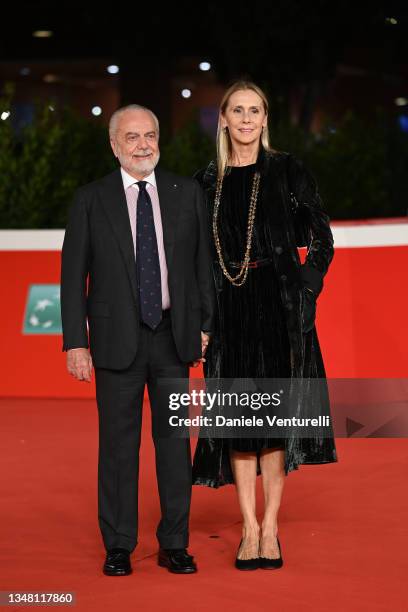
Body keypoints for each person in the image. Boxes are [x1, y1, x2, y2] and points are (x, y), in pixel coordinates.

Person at [60, 104, 214, 576]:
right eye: (132, 137)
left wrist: (205, 323)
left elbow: (201, 265)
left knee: (173, 443)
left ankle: (175, 542)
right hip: (113, 342)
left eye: (150, 135)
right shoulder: (90, 199)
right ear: (114, 145)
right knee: (118, 447)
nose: (143, 144)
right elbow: (72, 277)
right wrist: (74, 341)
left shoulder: (186, 192)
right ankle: (119, 544)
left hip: (172, 337)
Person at [192, 81, 337, 570]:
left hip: (277, 305)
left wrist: (306, 288)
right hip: (227, 311)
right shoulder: (206, 181)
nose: (247, 119)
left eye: (256, 110)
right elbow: (194, 258)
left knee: (272, 422)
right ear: (225, 119)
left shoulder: (286, 170)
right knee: (239, 422)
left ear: (265, 118)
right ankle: (247, 528)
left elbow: (321, 234)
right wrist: (201, 318)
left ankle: (270, 526)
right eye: (239, 110)